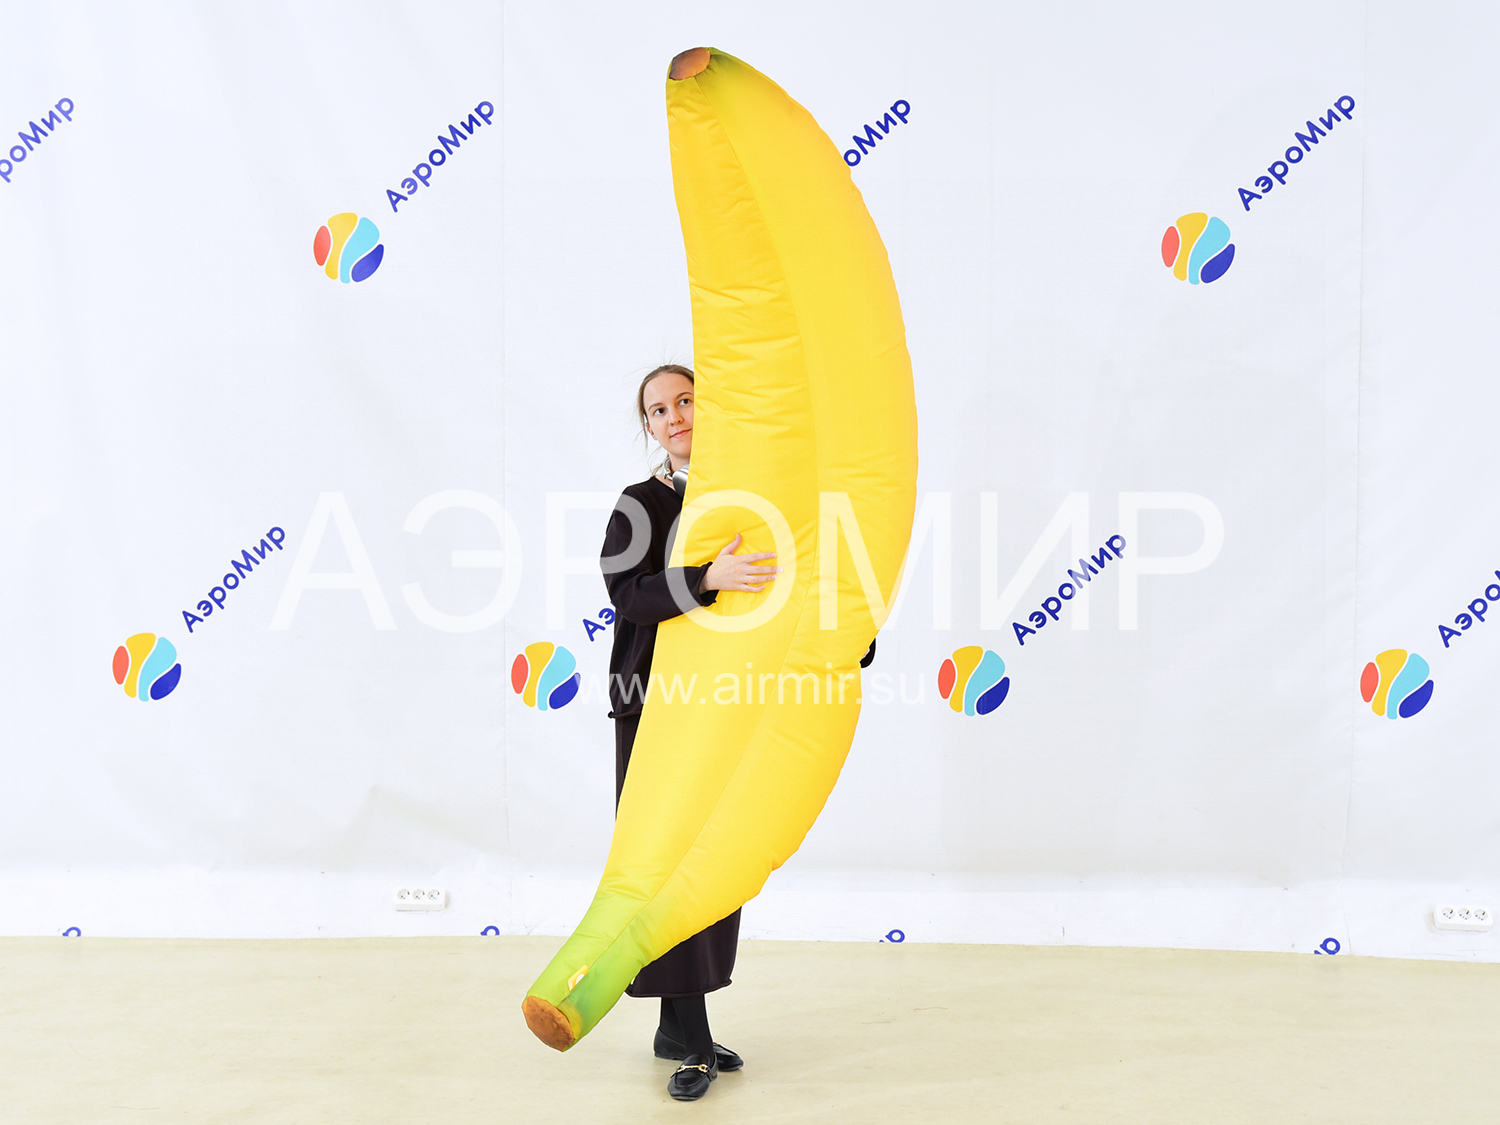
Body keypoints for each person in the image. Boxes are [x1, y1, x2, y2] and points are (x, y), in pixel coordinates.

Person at [598, 363, 781, 1102]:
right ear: (648, 426)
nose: (674, 416)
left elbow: (788, 576)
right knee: (664, 867)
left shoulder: (753, 499)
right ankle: (693, 1039)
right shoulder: (640, 504)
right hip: (654, 706)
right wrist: (706, 576)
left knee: (713, 863)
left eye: (685, 400)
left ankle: (679, 1029)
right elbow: (628, 595)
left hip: (726, 703)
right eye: (658, 409)